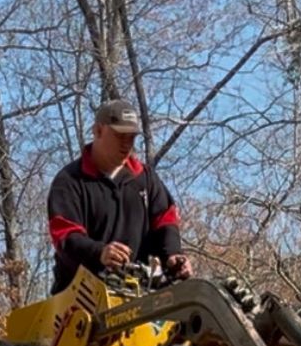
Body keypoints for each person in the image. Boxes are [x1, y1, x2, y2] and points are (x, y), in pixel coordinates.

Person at [47, 97, 193, 295]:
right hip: (79, 300)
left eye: (132, 137)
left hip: (139, 295)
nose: (127, 144)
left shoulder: (145, 179)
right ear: (98, 131)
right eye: (120, 136)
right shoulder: (70, 181)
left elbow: (165, 219)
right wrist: (99, 253)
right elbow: (65, 236)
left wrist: (173, 254)